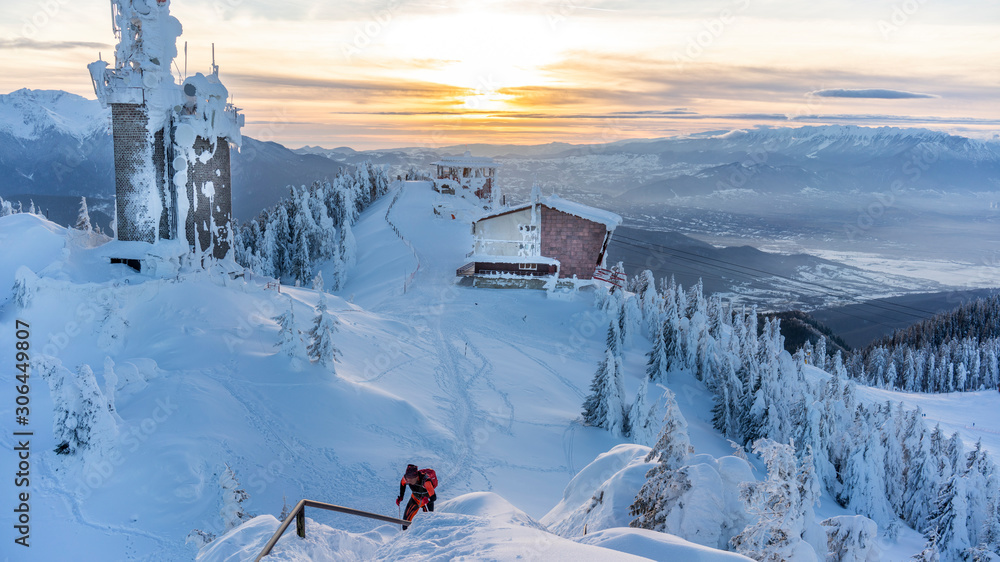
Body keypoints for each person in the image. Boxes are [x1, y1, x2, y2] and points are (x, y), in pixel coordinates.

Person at [396, 464, 436, 530]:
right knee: (405, 523)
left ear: (416, 477)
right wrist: (401, 497)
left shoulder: (426, 481)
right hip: (415, 498)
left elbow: (433, 497)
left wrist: (427, 499)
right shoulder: (406, 478)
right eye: (408, 479)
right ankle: (403, 537)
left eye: (411, 479)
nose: (408, 481)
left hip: (427, 502)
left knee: (428, 523)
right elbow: (402, 484)